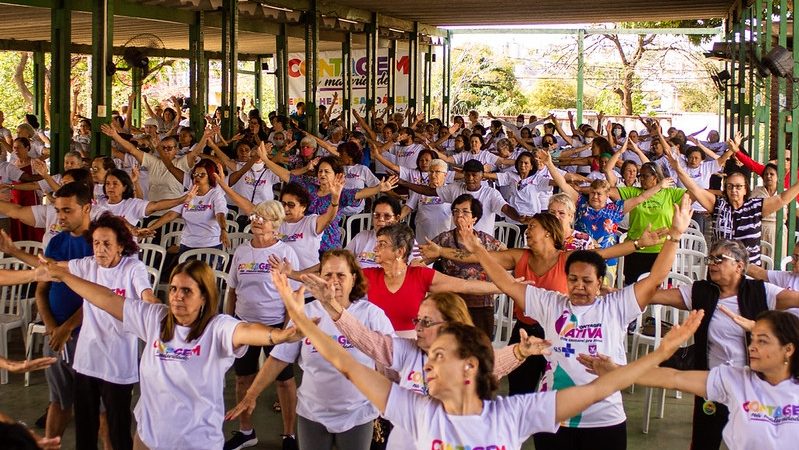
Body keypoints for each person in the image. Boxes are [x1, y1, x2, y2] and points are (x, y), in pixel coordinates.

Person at [271, 265, 704, 450]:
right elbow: (346, 360)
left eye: (439, 356)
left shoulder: (514, 415)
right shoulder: (417, 410)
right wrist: (300, 312)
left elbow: (602, 388)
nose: (428, 365)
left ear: (470, 366)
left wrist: (663, 351)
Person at [450, 195, 692, 449]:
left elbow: (655, 278)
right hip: (554, 416)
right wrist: (477, 250)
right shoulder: (551, 303)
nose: (579, 286)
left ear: (600, 282)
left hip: (604, 417)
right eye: (573, 280)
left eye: (587, 281)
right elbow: (507, 284)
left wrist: (675, 235)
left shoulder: (617, 305)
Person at [33, 259, 303, 450]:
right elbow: (106, 299)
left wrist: (279, 336)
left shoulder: (218, 327)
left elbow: (248, 331)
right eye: (173, 289)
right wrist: (64, 275)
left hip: (197, 442)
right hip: (149, 439)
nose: (177, 297)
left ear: (204, 298)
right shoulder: (154, 318)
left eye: (187, 291)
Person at [301, 277, 550, 450]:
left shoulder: (469, 361)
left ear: (452, 326)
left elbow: (495, 364)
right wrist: (331, 306)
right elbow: (366, 339)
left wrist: (520, 351)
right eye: (417, 320)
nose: (417, 329)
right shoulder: (405, 350)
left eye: (426, 323)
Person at [225, 250, 395, 450]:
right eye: (327, 275)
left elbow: (390, 361)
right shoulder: (306, 313)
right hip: (312, 413)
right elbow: (279, 358)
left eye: (341, 275)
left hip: (358, 414)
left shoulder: (372, 315)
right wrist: (251, 394)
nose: (333, 281)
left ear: (354, 278)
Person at [646, 239, 799, 449]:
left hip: (751, 385)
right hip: (713, 381)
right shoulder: (702, 291)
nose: (712, 264)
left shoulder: (761, 291)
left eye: (719, 259)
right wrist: (618, 295)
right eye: (710, 259)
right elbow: (656, 296)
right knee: (704, 441)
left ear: (739, 266)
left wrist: (754, 326)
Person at [579, 309, 799, 450]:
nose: (752, 347)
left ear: (788, 349)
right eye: (752, 339)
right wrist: (617, 370)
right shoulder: (735, 379)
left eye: (763, 341)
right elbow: (673, 377)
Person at [57, 213, 155, 450]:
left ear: (120, 245)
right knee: (85, 429)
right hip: (87, 360)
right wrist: (13, 251)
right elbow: (49, 266)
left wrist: (158, 311)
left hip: (118, 361)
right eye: (96, 243)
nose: (100, 249)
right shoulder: (88, 265)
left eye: (107, 244)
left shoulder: (133, 268)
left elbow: (146, 295)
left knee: (118, 428)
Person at [224, 201, 301, 450]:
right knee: (242, 379)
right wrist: (228, 324)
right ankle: (246, 432)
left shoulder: (285, 252)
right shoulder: (241, 252)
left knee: (284, 381)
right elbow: (232, 290)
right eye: (255, 216)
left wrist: (287, 331)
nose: (257, 220)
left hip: (275, 326)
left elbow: (293, 296)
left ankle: (289, 434)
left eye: (264, 218)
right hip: (243, 325)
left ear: (275, 224)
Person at [667, 148, 799, 265]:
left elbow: (782, 198)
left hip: (747, 272)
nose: (734, 190)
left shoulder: (755, 207)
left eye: (738, 186)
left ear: (746, 189)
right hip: (719, 269)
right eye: (729, 186)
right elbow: (695, 189)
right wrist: (678, 169)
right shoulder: (718, 205)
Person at [255, 143, 397, 251]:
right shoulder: (309, 187)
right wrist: (266, 160)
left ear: (337, 175)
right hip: (305, 242)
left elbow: (360, 193)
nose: (322, 174)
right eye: (320, 171)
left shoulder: (341, 193)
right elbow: (287, 176)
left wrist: (379, 188)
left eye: (326, 172)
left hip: (328, 246)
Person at [425, 194, 505, 335]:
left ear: (474, 218)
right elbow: (422, 259)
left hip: (481, 304)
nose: (459, 215)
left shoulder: (486, 241)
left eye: (465, 211)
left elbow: (508, 258)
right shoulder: (444, 239)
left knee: (480, 349)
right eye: (455, 211)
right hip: (452, 304)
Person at [401, 159, 528, 235]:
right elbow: (429, 191)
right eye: (467, 175)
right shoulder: (455, 188)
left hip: (481, 246)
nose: (470, 179)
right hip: (457, 244)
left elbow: (505, 208)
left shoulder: (491, 193)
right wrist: (405, 183)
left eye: (475, 175)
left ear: (482, 176)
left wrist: (517, 217)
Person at [145, 159, 230, 255]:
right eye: (195, 174)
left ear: (210, 177)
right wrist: (150, 228)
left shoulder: (216, 195)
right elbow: (170, 215)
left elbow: (220, 214)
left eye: (202, 175)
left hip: (210, 245)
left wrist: (223, 229)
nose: (197, 177)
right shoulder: (188, 195)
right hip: (187, 244)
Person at [98, 169, 196, 227]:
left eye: (115, 184)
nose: (110, 187)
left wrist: (182, 200)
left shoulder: (132, 204)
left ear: (124, 187)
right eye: (107, 184)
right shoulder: (99, 203)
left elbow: (156, 205)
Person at [399, 158, 452, 244]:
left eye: (437, 172)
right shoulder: (421, 190)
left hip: (444, 238)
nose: (433, 175)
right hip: (423, 236)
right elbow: (408, 207)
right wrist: (395, 219)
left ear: (445, 175)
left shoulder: (449, 191)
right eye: (431, 172)